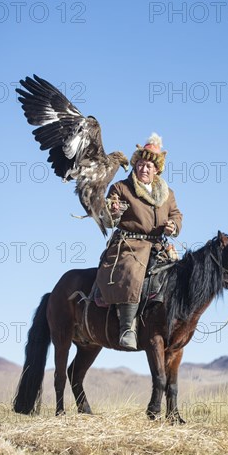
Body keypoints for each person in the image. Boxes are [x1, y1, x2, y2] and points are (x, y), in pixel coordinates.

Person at [95, 133, 183, 350]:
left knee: (181, 273)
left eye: (149, 166)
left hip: (159, 245)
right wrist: (112, 211)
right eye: (141, 164)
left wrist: (173, 226)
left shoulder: (168, 194)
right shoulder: (121, 188)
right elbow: (108, 219)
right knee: (134, 271)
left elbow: (176, 215)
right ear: (135, 165)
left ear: (157, 170)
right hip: (129, 245)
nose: (144, 169)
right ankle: (127, 327)